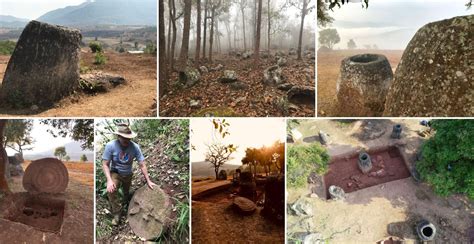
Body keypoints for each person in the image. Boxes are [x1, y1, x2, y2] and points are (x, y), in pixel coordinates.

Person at [102, 123, 156, 225]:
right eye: (124, 138)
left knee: (126, 192)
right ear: (118, 137)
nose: (127, 141)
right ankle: (117, 214)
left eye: (129, 138)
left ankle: (126, 203)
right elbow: (105, 164)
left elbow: (142, 164)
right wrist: (109, 180)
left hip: (128, 174)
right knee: (111, 190)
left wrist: (148, 180)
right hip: (115, 173)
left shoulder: (135, 147)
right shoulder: (110, 146)